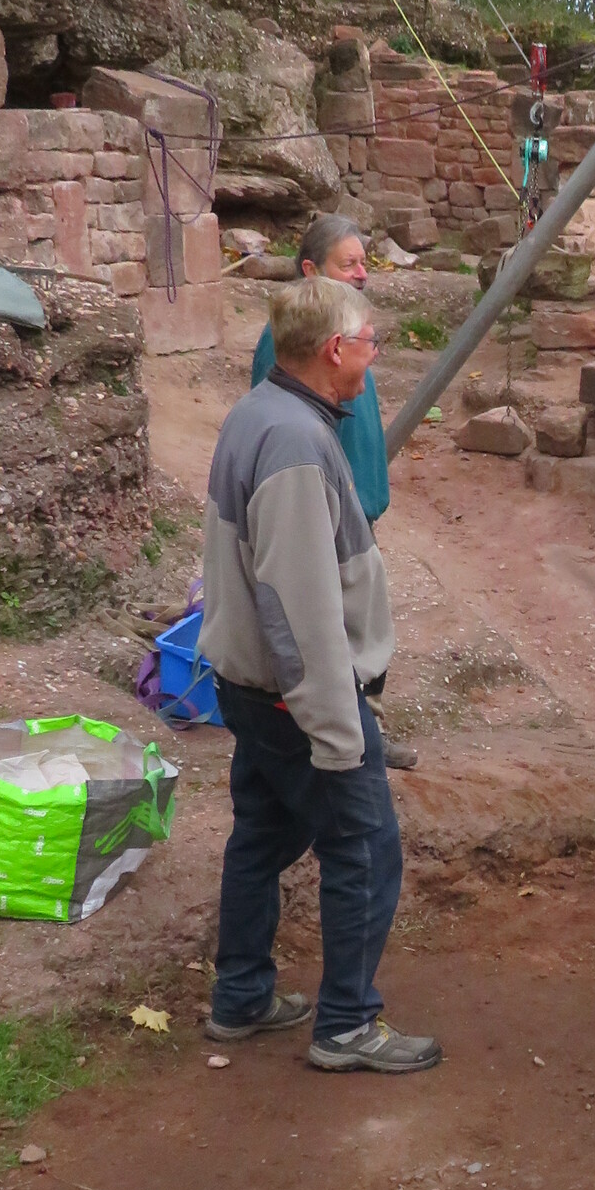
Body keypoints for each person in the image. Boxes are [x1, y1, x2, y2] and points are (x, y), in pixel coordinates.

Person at [201, 272, 442, 1074]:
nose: (375, 356)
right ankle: (346, 1025)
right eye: (371, 343)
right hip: (292, 699)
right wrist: (339, 731)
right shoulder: (298, 445)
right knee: (365, 848)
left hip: (250, 686)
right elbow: (298, 606)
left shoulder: (259, 412)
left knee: (263, 837)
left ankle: (240, 998)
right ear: (336, 349)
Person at [250, 214, 415, 772]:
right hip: (326, 512)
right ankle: (345, 738)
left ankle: (366, 727)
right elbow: (283, 437)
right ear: (310, 270)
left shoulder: (349, 331)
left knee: (364, 618)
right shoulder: (287, 345)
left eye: (364, 261)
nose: (363, 273)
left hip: (358, 511)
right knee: (334, 628)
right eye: (349, 264)